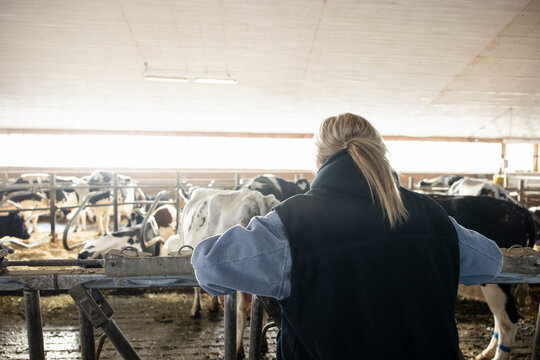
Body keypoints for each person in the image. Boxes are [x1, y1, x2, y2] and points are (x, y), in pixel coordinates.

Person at [191, 113, 503, 359]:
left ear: (318, 164)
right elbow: (491, 263)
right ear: (380, 156)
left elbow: (209, 267)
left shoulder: (293, 222)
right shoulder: (430, 214)